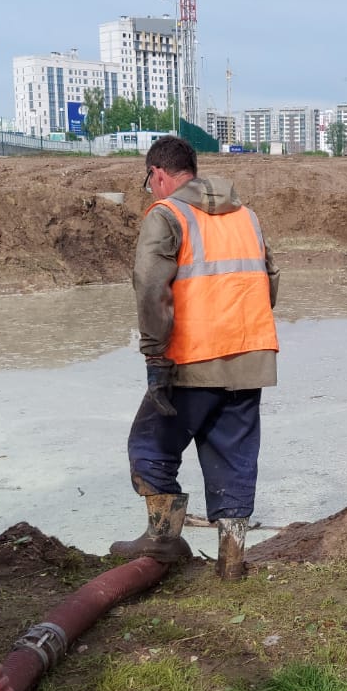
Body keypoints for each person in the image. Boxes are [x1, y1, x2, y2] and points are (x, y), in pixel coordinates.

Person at [111, 136, 279, 580]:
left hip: (191, 360)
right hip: (250, 356)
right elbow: (270, 281)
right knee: (235, 457)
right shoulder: (248, 216)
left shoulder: (166, 215)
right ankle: (231, 561)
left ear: (159, 174)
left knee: (150, 447)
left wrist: (154, 355)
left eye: (149, 181)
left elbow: (150, 288)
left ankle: (163, 539)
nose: (150, 189)